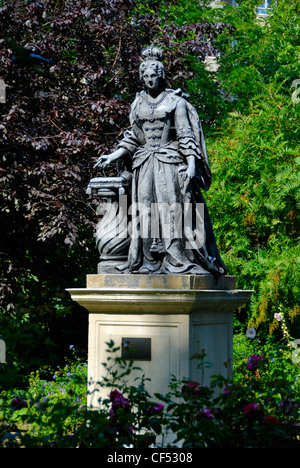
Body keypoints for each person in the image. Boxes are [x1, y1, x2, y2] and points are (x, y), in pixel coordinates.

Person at [94, 45, 227, 276]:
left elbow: (186, 136)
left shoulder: (176, 103)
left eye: (153, 76)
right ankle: (149, 261)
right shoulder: (137, 104)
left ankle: (177, 259)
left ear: (161, 75)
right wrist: (112, 155)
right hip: (144, 164)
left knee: (171, 210)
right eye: (145, 76)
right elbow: (134, 137)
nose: (149, 80)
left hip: (169, 163)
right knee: (144, 210)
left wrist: (192, 167)